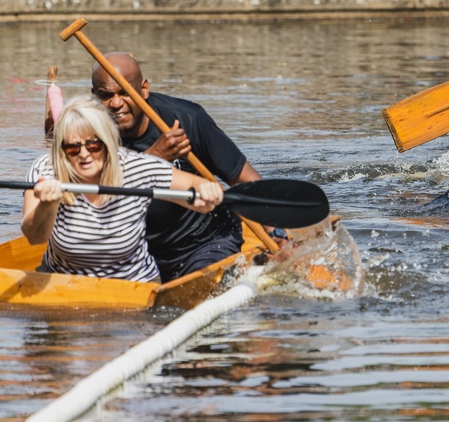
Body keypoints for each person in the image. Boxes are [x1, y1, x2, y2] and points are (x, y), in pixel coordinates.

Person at [91, 52, 266, 281]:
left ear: (144, 89)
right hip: (136, 252)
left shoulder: (187, 118)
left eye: (125, 92)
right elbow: (93, 200)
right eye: (106, 96)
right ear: (94, 97)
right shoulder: (87, 136)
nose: (115, 103)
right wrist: (155, 157)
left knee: (203, 288)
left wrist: (279, 233)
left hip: (204, 242)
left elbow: (246, 181)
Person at [21, 96, 223, 283]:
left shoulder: (138, 167)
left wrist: (206, 194)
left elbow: (199, 189)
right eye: (73, 148)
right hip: (64, 282)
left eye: (93, 145)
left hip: (133, 285)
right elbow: (34, 237)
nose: (84, 154)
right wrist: (48, 204)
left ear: (108, 142)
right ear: (62, 150)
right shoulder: (46, 169)